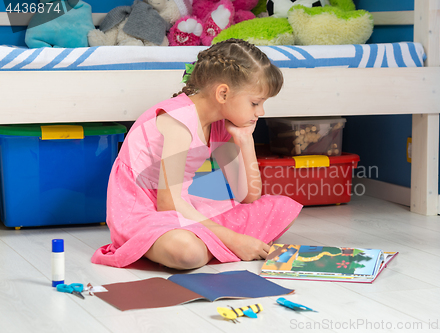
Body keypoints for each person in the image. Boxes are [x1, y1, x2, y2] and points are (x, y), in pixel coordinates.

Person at [91, 38, 303, 270]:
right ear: (223, 94)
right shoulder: (179, 120)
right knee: (187, 252)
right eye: (255, 103)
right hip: (144, 209)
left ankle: (209, 244)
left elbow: (248, 195)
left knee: (282, 208)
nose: (260, 112)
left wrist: (245, 139)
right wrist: (235, 240)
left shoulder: (221, 123)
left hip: (182, 204)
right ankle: (209, 245)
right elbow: (168, 203)